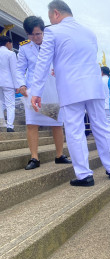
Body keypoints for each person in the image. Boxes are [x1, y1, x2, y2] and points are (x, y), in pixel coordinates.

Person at [30, 0, 110, 186]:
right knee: (102, 127)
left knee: (75, 130)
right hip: (94, 85)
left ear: (56, 13)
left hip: (71, 88)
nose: (50, 21)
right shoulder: (89, 32)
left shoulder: (52, 31)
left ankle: (84, 174)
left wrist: (36, 91)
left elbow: (43, 63)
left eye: (50, 17)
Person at [16, 16, 71, 170]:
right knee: (32, 124)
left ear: (43, 31)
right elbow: (20, 69)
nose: (35, 38)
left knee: (57, 124)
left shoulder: (53, 43)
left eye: (38, 34)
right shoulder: (25, 47)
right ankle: (34, 157)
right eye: (31, 35)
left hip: (53, 89)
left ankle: (60, 155)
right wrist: (21, 84)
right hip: (34, 90)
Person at [0, 36, 18, 132]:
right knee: (10, 104)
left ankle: (1, 123)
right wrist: (17, 85)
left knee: (0, 103)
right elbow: (14, 71)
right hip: (8, 82)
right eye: (11, 44)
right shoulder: (11, 54)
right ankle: (10, 126)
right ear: (8, 43)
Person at [100, 66, 110, 134]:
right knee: (109, 124)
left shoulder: (100, 80)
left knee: (105, 126)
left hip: (103, 105)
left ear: (102, 72)